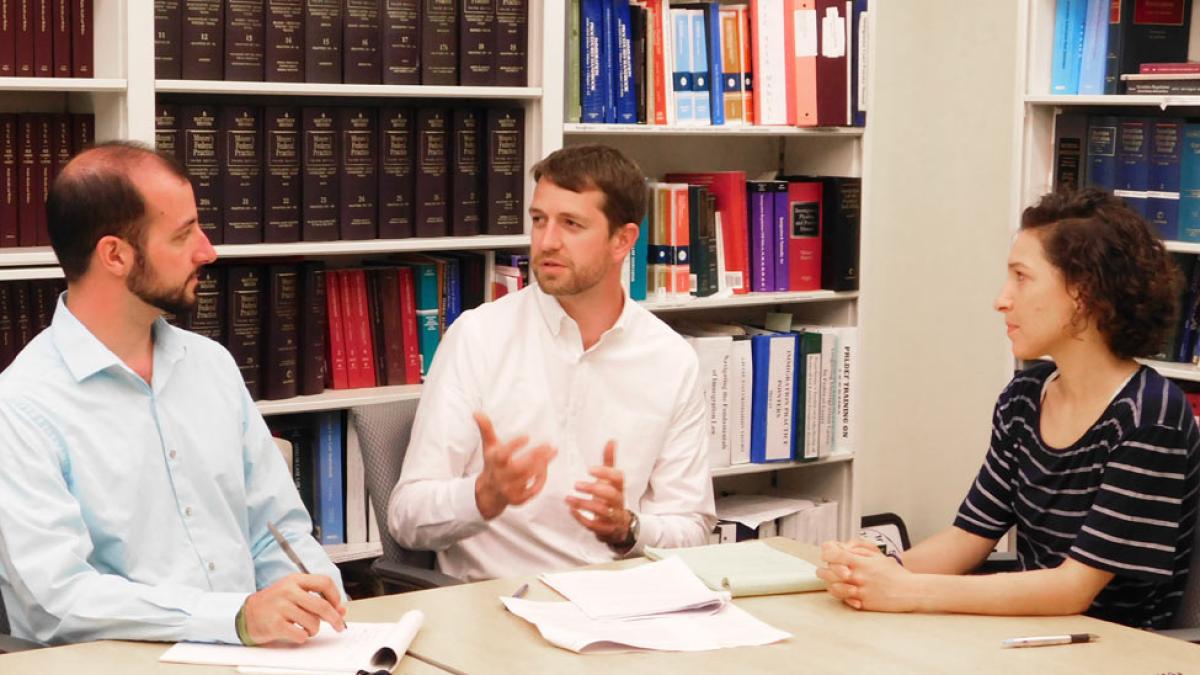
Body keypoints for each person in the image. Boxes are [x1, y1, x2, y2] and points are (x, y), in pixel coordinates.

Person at [0, 142, 346, 646]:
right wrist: (235, 618)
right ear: (115, 254)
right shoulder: (22, 406)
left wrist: (319, 598)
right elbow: (56, 602)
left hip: (259, 656)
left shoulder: (213, 367)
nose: (208, 251)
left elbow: (279, 531)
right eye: (184, 234)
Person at [818, 189, 1200, 629]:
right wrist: (871, 572)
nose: (1002, 299)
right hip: (1026, 634)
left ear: (1085, 292)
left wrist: (906, 590)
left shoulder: (1149, 415)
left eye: (1022, 277)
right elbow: (970, 537)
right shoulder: (1024, 397)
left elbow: (1072, 589)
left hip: (1110, 650)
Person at [388, 144, 717, 581]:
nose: (546, 242)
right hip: (495, 606)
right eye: (539, 220)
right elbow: (406, 517)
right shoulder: (479, 336)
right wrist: (482, 497)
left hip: (620, 607)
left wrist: (628, 529)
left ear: (623, 240)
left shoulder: (671, 358)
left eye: (571, 224)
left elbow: (692, 526)